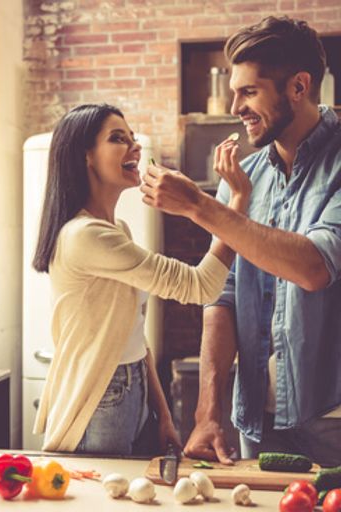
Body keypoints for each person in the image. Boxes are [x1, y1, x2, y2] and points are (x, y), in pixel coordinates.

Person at [141, 16, 341, 467]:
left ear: (299, 86)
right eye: (234, 92)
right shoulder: (246, 177)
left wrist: (198, 204)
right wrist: (208, 409)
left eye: (249, 92)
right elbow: (222, 294)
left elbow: (314, 266)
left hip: (333, 419)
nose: (236, 107)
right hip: (260, 418)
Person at [31, 103, 251, 455]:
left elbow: (132, 334)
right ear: (85, 156)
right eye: (118, 139)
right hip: (100, 396)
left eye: (132, 138)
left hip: (130, 387)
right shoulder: (85, 236)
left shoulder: (116, 230)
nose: (134, 147)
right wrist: (236, 201)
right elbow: (202, 286)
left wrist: (161, 414)